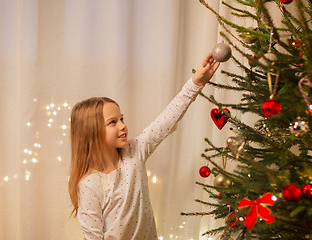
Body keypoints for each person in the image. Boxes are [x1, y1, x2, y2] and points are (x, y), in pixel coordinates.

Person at [68, 51, 220, 239]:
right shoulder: (89, 184)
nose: (123, 126)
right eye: (113, 122)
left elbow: (166, 121)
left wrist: (196, 83)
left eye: (122, 119)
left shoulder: (134, 152)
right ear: (92, 133)